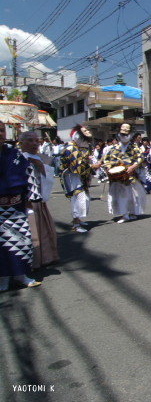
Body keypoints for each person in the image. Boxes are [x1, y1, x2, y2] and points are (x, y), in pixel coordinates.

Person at [0, 122, 42, 292]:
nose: (0, 133)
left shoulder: (15, 154)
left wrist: (29, 199)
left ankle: (21, 276)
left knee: (22, 243)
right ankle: (2, 280)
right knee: (1, 248)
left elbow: (28, 173)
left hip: (16, 208)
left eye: (2, 130)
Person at [18, 131, 59, 268]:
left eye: (37, 140)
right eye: (30, 140)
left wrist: (41, 165)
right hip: (25, 202)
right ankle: (32, 261)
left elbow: (49, 174)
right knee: (31, 232)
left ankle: (46, 257)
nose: (35, 143)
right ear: (21, 143)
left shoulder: (39, 158)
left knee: (44, 229)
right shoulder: (18, 158)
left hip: (39, 200)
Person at [103, 123, 148, 223]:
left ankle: (132, 212)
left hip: (130, 176)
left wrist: (133, 166)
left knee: (133, 195)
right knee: (121, 195)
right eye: (122, 134)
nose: (124, 136)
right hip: (117, 178)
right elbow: (106, 161)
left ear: (130, 134)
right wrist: (109, 169)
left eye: (126, 134)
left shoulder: (135, 147)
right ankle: (124, 214)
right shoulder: (113, 148)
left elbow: (140, 158)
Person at [59, 125, 100, 233]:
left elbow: (82, 161)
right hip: (73, 178)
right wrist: (93, 166)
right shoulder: (71, 149)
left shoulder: (79, 148)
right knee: (78, 200)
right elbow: (77, 167)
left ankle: (78, 220)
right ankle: (76, 225)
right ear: (77, 136)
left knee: (83, 198)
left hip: (80, 177)